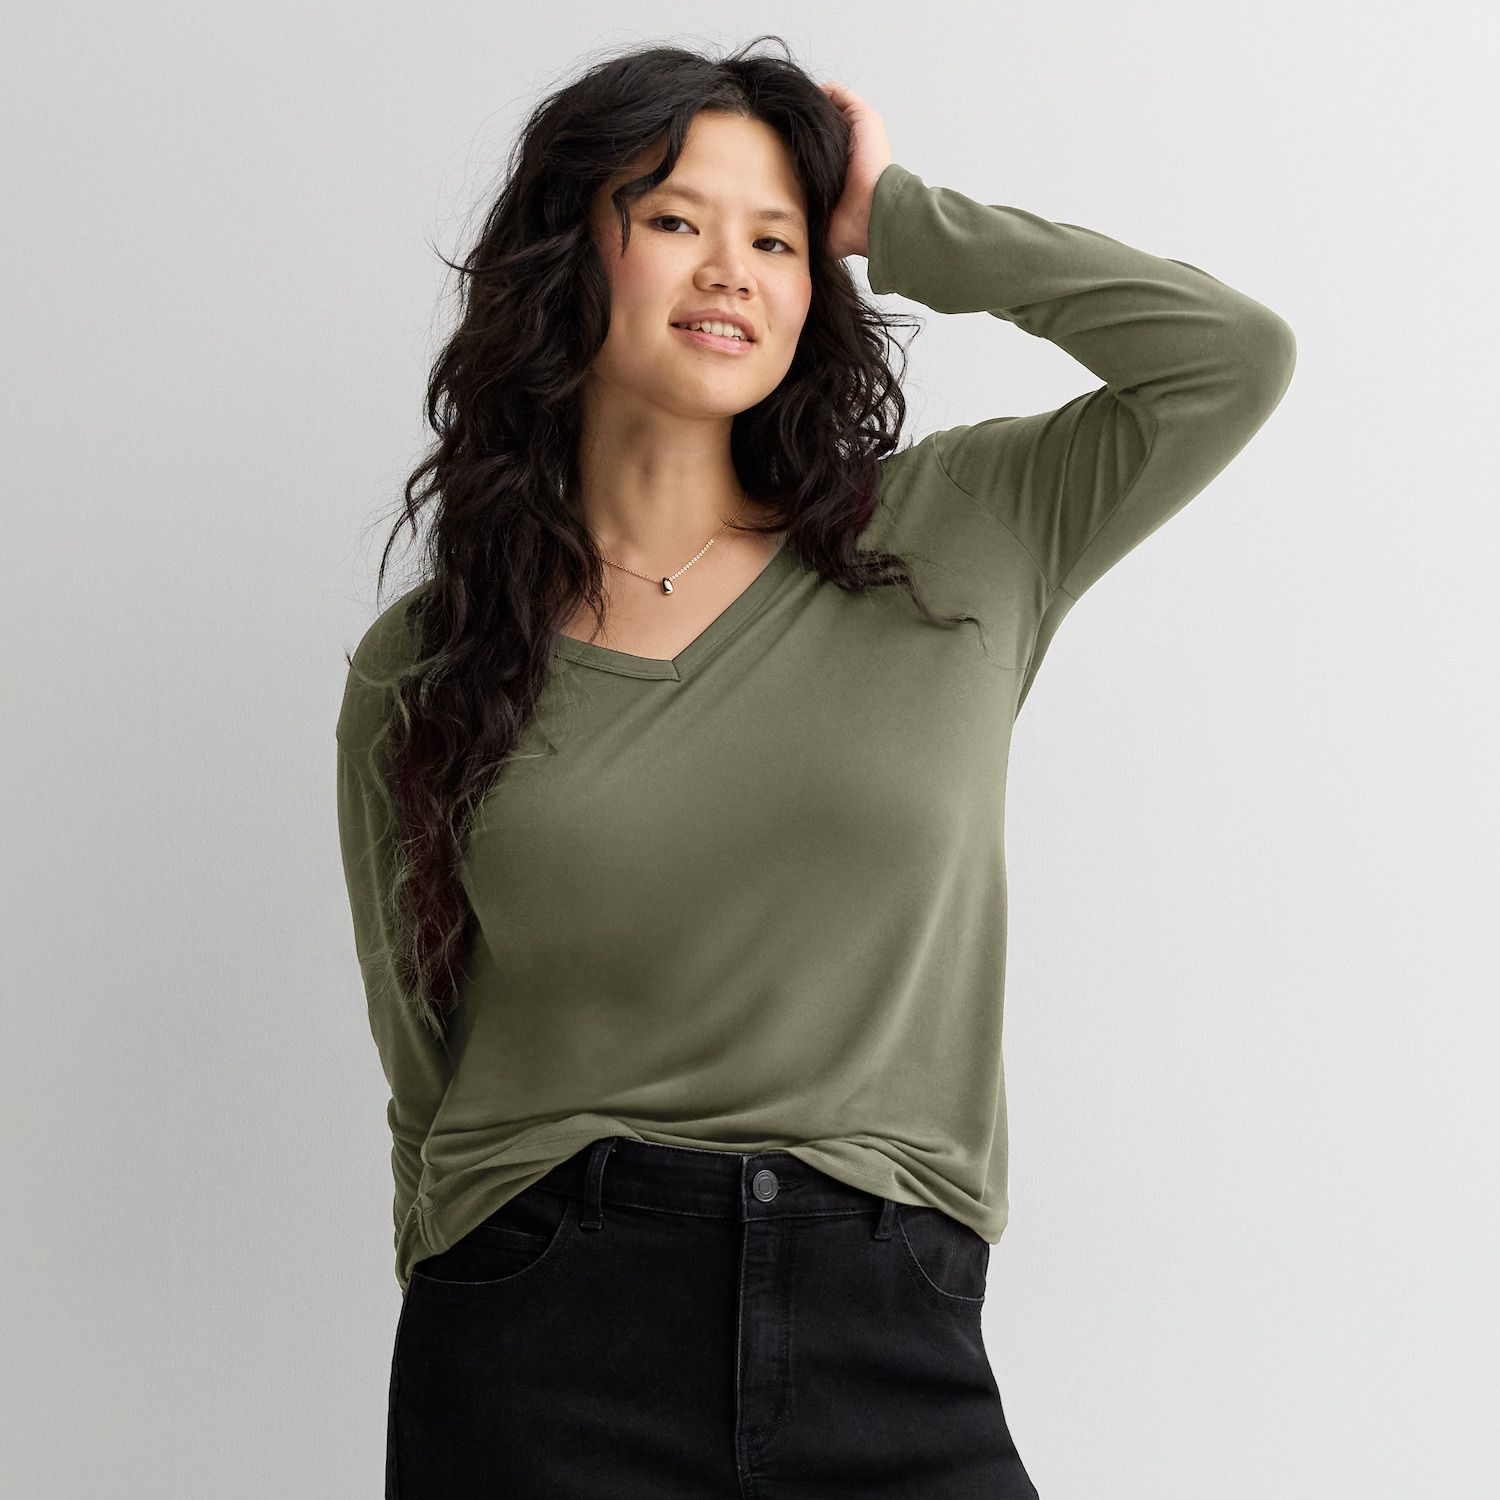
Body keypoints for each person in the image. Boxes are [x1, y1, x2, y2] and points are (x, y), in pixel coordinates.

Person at [335, 37, 1295, 1500]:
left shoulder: (962, 530)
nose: (731, 269)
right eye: (674, 219)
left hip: (888, 1316)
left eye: (776, 238)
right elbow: (423, 1055)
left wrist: (895, 216)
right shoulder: (429, 661)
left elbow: (1229, 356)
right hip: (545, 1334)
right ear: (565, 258)